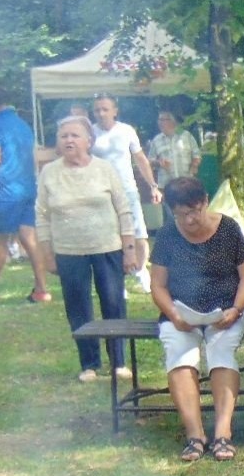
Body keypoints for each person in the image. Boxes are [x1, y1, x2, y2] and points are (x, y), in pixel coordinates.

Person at [148, 177, 244, 462]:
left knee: (221, 349)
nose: (190, 219)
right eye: (182, 213)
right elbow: (157, 285)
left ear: (205, 202)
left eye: (195, 210)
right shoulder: (168, 235)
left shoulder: (228, 229)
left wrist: (236, 308)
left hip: (227, 312)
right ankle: (195, 435)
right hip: (182, 312)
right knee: (179, 352)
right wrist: (173, 314)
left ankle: (223, 434)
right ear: (172, 211)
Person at [36, 115, 135, 383]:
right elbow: (42, 216)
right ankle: (89, 363)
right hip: (68, 251)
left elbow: (124, 209)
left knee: (113, 303)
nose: (68, 140)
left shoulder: (105, 169)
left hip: (107, 247)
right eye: (63, 136)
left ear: (88, 141)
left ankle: (119, 362)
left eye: (74, 135)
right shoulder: (49, 172)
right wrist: (47, 253)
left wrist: (129, 249)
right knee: (78, 307)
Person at [0, 85, 51, 305]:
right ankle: (42, 290)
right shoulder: (23, 125)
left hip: (5, 191)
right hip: (28, 188)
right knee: (29, 237)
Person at [90, 94, 162, 292]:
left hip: (127, 190)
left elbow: (140, 159)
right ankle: (117, 278)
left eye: (105, 109)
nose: (101, 113)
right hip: (101, 192)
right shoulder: (90, 133)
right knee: (110, 238)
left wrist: (153, 186)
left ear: (115, 111)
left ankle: (140, 270)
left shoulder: (126, 130)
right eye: (97, 110)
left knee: (139, 234)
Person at [149, 111, 201, 191]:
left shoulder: (187, 136)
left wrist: (194, 167)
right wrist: (159, 162)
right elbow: (150, 161)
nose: (160, 122)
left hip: (186, 183)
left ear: (172, 122)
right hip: (166, 185)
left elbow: (196, 155)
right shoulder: (156, 140)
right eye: (159, 120)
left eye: (163, 120)